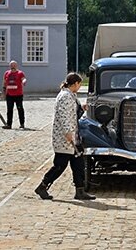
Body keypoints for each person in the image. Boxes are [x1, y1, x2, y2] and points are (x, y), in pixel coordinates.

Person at [34, 72, 95, 201]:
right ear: (76, 83)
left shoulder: (70, 95)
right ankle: (43, 186)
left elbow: (72, 113)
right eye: (79, 84)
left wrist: (82, 108)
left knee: (78, 164)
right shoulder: (65, 96)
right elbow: (64, 116)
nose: (79, 87)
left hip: (73, 137)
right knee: (59, 165)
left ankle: (80, 190)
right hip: (65, 138)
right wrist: (68, 132)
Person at [2, 60, 27, 129]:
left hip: (18, 94)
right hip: (9, 94)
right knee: (9, 110)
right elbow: (4, 82)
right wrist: (4, 91)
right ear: (10, 66)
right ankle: (9, 124)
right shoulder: (7, 73)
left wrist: (24, 81)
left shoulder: (20, 73)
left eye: (14, 66)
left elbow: (23, 79)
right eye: (11, 66)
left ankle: (22, 124)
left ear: (16, 66)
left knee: (20, 109)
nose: (13, 67)